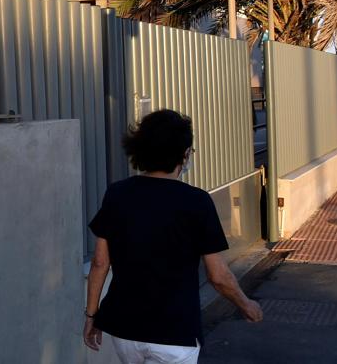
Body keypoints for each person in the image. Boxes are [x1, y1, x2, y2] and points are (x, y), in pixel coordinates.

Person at [83, 109, 262, 363]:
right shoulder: (197, 202)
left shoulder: (117, 194)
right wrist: (246, 304)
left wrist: (91, 316)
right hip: (175, 333)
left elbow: (100, 263)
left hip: (124, 328)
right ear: (184, 154)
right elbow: (218, 275)